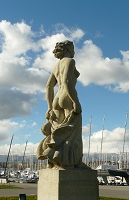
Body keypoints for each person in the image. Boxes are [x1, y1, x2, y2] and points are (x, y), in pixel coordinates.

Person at [36, 40, 84, 169]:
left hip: (57, 98)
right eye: (73, 48)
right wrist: (76, 102)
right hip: (67, 97)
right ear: (68, 49)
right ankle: (75, 163)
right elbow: (67, 81)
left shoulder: (56, 66)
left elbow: (49, 86)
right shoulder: (70, 61)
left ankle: (52, 161)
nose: (74, 51)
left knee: (57, 132)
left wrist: (50, 107)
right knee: (72, 132)